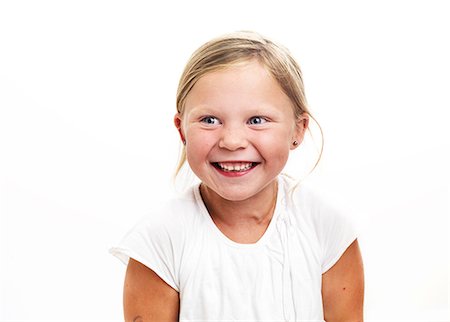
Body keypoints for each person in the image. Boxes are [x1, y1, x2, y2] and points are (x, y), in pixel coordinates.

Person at [110, 31, 364, 322]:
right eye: (209, 120)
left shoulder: (327, 227)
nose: (232, 141)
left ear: (298, 129)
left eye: (257, 120)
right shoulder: (160, 240)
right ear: (182, 130)